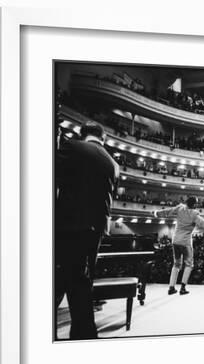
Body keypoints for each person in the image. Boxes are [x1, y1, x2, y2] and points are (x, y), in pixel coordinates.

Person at [55, 121, 119, 340]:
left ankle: (83, 335)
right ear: (104, 138)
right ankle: (83, 334)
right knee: (78, 279)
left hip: (69, 224)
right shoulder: (112, 163)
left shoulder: (72, 146)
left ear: (83, 134)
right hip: (97, 229)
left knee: (70, 279)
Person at [153, 196, 204, 295]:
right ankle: (183, 288)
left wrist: (156, 213)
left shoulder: (179, 208)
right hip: (185, 242)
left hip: (175, 241)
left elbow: (168, 211)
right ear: (194, 205)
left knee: (176, 264)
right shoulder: (194, 214)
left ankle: (171, 288)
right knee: (189, 264)